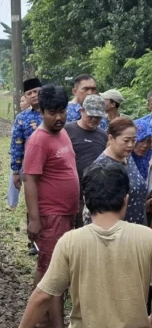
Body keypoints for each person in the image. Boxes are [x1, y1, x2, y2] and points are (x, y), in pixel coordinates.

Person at [10, 161, 152, 328]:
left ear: (85, 198)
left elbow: (44, 295)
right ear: (125, 199)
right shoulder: (146, 237)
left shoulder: (71, 241)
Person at [23, 84, 79, 328]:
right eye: (52, 112)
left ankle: (42, 317)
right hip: (50, 214)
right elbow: (30, 180)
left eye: (62, 111)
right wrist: (34, 218)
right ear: (41, 112)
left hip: (67, 213)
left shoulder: (62, 134)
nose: (58, 117)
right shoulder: (38, 140)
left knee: (49, 268)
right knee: (55, 273)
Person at [82, 118, 148, 226]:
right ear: (111, 138)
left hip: (137, 226)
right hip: (115, 233)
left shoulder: (127, 156)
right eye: (126, 141)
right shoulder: (102, 167)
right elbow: (91, 212)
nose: (131, 145)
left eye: (134, 140)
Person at [65, 94, 108, 228]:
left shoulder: (103, 135)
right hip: (71, 191)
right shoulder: (67, 130)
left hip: (94, 192)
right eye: (91, 115)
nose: (94, 119)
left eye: (98, 117)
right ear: (81, 111)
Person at [8, 78, 43, 209]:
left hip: (54, 165)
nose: (33, 95)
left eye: (36, 91)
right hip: (31, 167)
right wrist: (16, 171)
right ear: (25, 97)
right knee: (33, 201)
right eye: (29, 93)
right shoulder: (21, 118)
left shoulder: (55, 111)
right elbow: (17, 146)